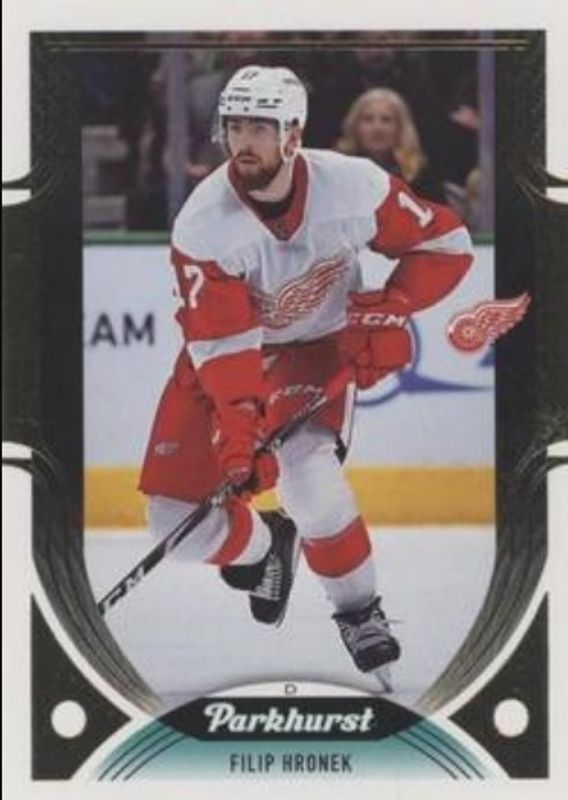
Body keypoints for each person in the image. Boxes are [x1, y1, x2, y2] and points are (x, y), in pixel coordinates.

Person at [138, 66, 473, 682]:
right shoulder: (203, 223)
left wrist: (394, 305)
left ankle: (359, 611)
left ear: (293, 134)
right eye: (234, 126)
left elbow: (447, 245)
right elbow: (223, 344)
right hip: (222, 360)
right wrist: (239, 434)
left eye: (259, 127)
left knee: (309, 479)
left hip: (315, 349)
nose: (243, 142)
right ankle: (268, 546)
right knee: (174, 527)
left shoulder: (355, 186)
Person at [336, 87, 447, 204]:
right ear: (355, 126)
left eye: (386, 120)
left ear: (400, 128)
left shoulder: (420, 175)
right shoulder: (338, 170)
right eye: (368, 119)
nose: (377, 128)